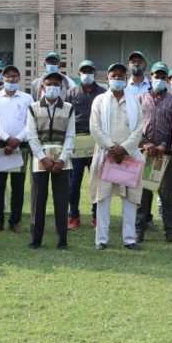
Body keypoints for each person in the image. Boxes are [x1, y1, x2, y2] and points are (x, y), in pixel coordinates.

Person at [89, 63, 144, 250]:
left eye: (121, 76)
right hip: (106, 155)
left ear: (125, 78)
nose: (118, 79)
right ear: (107, 78)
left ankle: (129, 239)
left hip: (129, 156)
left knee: (130, 199)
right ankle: (101, 240)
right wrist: (112, 147)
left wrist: (125, 148)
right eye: (114, 75)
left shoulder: (134, 101)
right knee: (103, 198)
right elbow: (94, 127)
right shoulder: (99, 101)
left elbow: (139, 128)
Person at [27, 70, 75, 249]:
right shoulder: (33, 107)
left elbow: (71, 137)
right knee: (38, 199)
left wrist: (62, 159)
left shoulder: (69, 108)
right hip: (40, 158)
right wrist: (42, 158)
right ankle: (35, 240)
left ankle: (62, 240)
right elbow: (32, 137)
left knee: (61, 200)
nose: (52, 87)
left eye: (56, 84)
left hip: (62, 159)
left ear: (61, 87)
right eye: (49, 84)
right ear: (42, 86)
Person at [136, 63, 172, 244]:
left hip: (165, 155)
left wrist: (164, 145)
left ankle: (170, 233)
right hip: (145, 153)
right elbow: (133, 125)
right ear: (150, 76)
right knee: (143, 194)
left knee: (166, 194)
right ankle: (139, 230)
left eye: (163, 77)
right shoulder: (139, 99)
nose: (160, 80)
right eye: (157, 76)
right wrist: (145, 143)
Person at [0, 63, 34, 233]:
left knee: (18, 185)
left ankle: (15, 220)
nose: (11, 79)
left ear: (19, 79)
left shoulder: (26, 98)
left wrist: (17, 139)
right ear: (3, 78)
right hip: (0, 146)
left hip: (20, 146)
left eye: (14, 76)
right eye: (8, 76)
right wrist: (7, 138)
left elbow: (30, 123)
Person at [65, 60, 104, 230]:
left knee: (97, 181)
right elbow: (65, 117)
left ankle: (97, 215)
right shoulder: (71, 93)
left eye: (90, 71)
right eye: (83, 71)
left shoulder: (103, 93)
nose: (87, 74)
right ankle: (73, 216)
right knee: (73, 183)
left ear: (94, 73)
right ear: (79, 73)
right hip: (77, 142)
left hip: (97, 143)